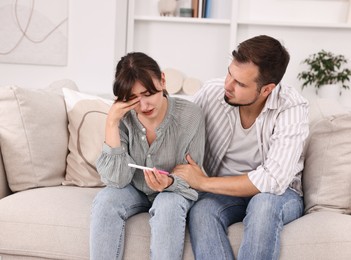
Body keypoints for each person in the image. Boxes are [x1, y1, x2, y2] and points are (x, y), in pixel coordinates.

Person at [173, 35, 309, 260]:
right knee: (202, 211)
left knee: (263, 206)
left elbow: (273, 180)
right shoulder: (213, 92)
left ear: (267, 90)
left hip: (280, 194)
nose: (228, 85)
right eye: (229, 73)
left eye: (241, 84)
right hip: (225, 192)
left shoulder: (292, 107)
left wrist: (203, 182)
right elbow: (176, 126)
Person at [90, 52, 205, 260]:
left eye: (148, 94)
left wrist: (169, 182)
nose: (144, 106)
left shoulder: (191, 115)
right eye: (134, 99)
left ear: (162, 80)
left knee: (168, 206)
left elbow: (195, 178)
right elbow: (116, 180)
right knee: (106, 200)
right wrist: (112, 123)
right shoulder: (123, 118)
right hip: (133, 189)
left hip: (173, 193)